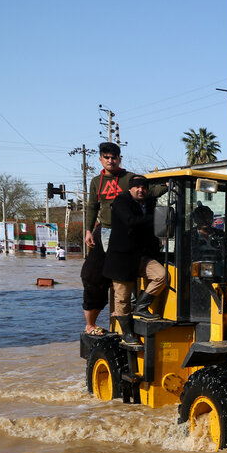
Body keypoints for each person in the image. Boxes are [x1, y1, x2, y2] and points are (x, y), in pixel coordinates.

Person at [102, 175, 169, 344]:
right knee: (122, 297)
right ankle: (127, 333)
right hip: (122, 257)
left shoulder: (149, 203)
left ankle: (140, 306)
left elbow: (154, 227)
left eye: (144, 188)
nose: (141, 190)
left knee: (162, 275)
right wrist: (157, 218)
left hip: (141, 256)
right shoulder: (121, 201)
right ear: (130, 189)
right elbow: (130, 222)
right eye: (137, 187)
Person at [80, 142, 137, 335]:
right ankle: (90, 325)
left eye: (114, 157)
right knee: (91, 276)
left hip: (128, 233)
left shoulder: (130, 178)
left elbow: (147, 191)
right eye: (106, 157)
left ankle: (124, 315)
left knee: (125, 275)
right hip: (103, 230)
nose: (110, 160)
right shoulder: (97, 181)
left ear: (119, 159)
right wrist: (88, 231)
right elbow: (92, 207)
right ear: (101, 159)